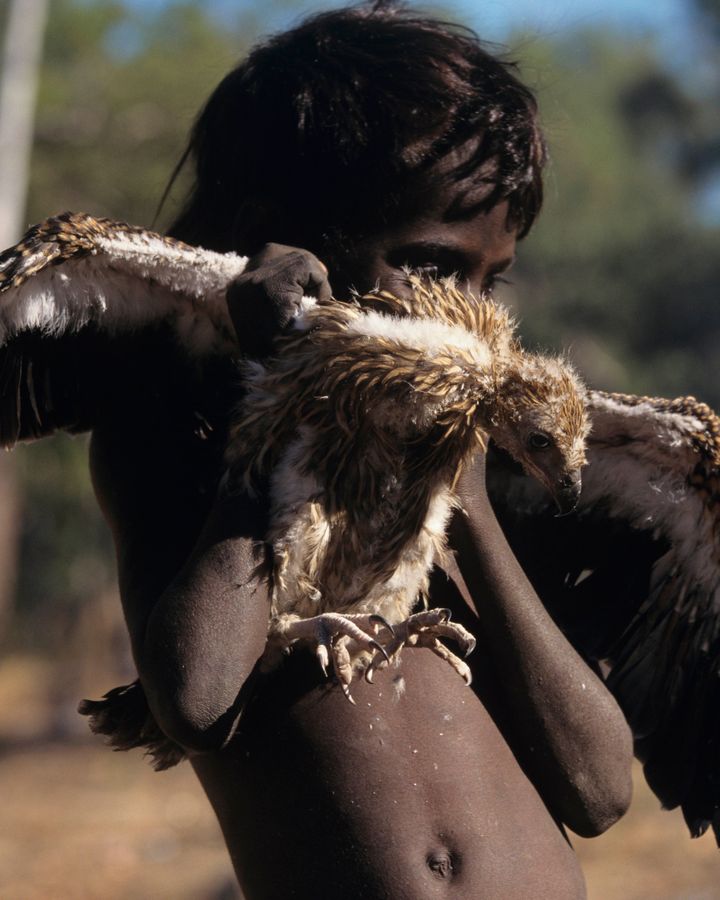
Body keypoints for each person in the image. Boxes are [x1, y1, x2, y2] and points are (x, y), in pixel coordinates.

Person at [87, 4, 633, 897]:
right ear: (277, 238)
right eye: (431, 265)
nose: (467, 318)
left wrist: (468, 505)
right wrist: (284, 398)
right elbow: (196, 699)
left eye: (491, 281)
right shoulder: (177, 437)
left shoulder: (480, 472)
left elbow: (599, 788)